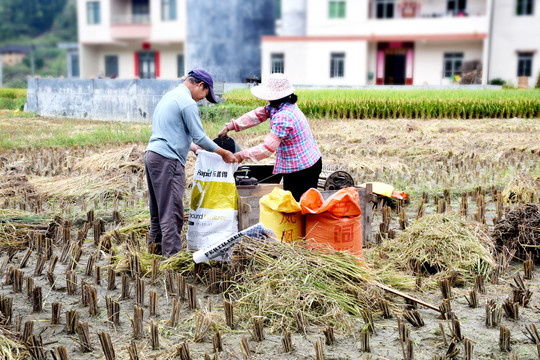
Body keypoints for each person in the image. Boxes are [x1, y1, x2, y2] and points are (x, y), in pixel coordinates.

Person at [145, 68, 237, 257]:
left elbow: (171, 131)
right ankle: (172, 259)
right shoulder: (187, 103)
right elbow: (201, 136)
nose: (202, 99)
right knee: (172, 212)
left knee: (158, 210)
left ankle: (154, 253)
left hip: (153, 156)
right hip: (167, 160)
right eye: (204, 94)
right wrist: (223, 153)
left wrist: (193, 147)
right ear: (200, 85)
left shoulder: (169, 97)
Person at [218, 73, 322, 201]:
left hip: (304, 168)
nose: (267, 99)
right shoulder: (279, 105)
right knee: (293, 203)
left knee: (300, 206)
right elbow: (257, 115)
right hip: (298, 164)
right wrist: (231, 126)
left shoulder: (284, 116)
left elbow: (267, 148)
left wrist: (242, 155)